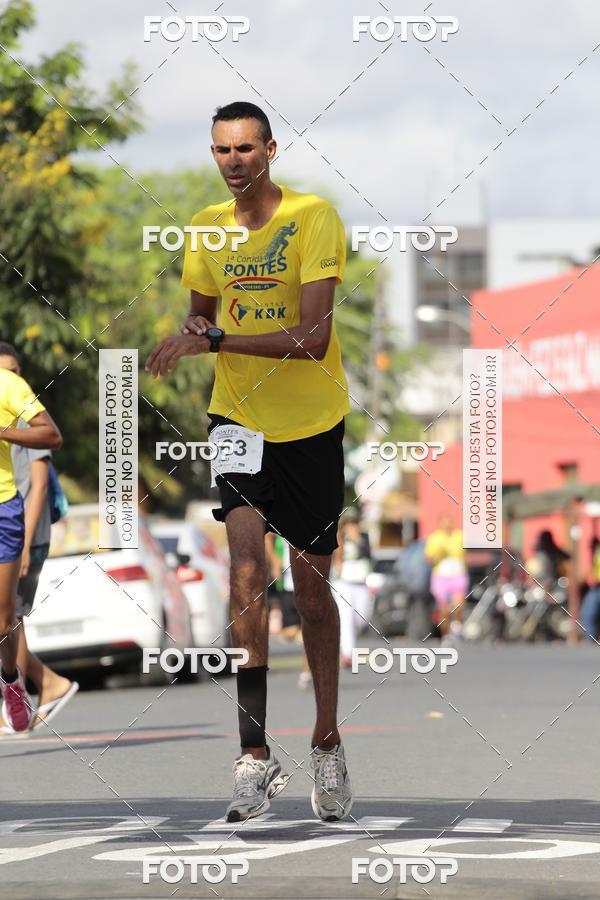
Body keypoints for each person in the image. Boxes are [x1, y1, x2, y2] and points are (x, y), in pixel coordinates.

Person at [146, 101, 352, 822]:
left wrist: (216, 341)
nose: (233, 162)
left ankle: (325, 740)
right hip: (236, 418)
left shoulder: (313, 217)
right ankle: (254, 756)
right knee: (243, 567)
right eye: (220, 151)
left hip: (312, 423)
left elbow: (314, 338)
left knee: (312, 588)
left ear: (270, 149)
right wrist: (192, 332)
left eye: (244, 149)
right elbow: (204, 314)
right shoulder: (204, 227)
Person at [0, 344, 77, 734]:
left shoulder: (18, 404)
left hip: (15, 519)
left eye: (14, 368)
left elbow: (40, 482)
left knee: (6, 617)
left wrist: (26, 544)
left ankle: (28, 683)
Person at [331, 509, 371, 668]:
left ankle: (348, 648)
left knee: (361, 618)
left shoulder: (364, 538)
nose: (352, 526)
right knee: (345, 618)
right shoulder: (338, 538)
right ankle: (348, 654)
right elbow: (335, 557)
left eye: (354, 523)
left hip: (361, 581)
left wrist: (358, 541)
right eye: (349, 524)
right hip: (343, 583)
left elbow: (369, 555)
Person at [424, 514, 468, 641]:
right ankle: (446, 636)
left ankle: (458, 626)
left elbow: (466, 554)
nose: (447, 526)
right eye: (444, 523)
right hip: (441, 577)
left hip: (458, 576)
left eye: (449, 522)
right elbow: (427, 558)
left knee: (459, 605)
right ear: (440, 524)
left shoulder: (459, 536)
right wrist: (437, 553)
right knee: (444, 610)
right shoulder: (435, 538)